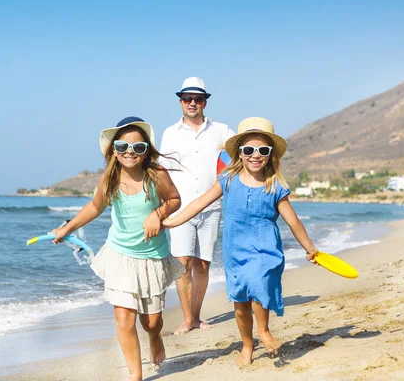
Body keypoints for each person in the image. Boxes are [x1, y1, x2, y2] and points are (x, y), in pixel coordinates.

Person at [163, 117, 319, 366]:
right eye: (249, 150)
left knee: (258, 290)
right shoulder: (227, 180)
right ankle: (247, 345)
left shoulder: (275, 186)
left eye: (262, 150)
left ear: (270, 155)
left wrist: (310, 248)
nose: (255, 155)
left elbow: (294, 222)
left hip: (266, 250)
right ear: (239, 154)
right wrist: (173, 220)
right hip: (236, 252)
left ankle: (264, 331)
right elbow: (199, 203)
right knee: (240, 302)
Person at [51, 116, 185, 381]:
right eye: (123, 147)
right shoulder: (109, 178)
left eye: (137, 147)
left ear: (147, 150)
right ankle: (135, 375)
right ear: (114, 150)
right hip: (120, 255)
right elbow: (94, 207)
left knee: (151, 322)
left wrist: (158, 213)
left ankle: (155, 338)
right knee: (124, 319)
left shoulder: (157, 175)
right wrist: (67, 229)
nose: (129, 153)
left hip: (151, 258)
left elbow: (175, 200)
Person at [159, 76, 235, 335]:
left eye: (198, 99)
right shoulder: (170, 133)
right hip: (180, 210)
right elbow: (163, 171)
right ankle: (187, 319)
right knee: (183, 264)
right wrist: (161, 207)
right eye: (187, 99)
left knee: (203, 264)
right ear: (180, 102)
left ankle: (197, 316)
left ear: (205, 102)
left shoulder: (222, 130)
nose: (192, 103)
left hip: (211, 208)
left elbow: (238, 152)